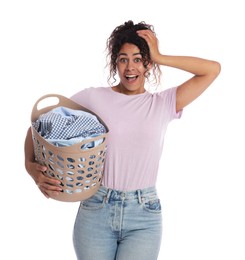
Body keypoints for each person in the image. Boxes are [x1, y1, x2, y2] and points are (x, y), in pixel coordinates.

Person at [24, 20, 221, 260]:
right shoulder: (94, 98)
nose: (130, 67)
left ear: (148, 64)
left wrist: (160, 56)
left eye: (138, 59)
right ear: (115, 63)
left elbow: (212, 69)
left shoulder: (163, 103)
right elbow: (39, 127)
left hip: (144, 214)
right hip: (96, 208)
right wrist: (31, 167)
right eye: (123, 58)